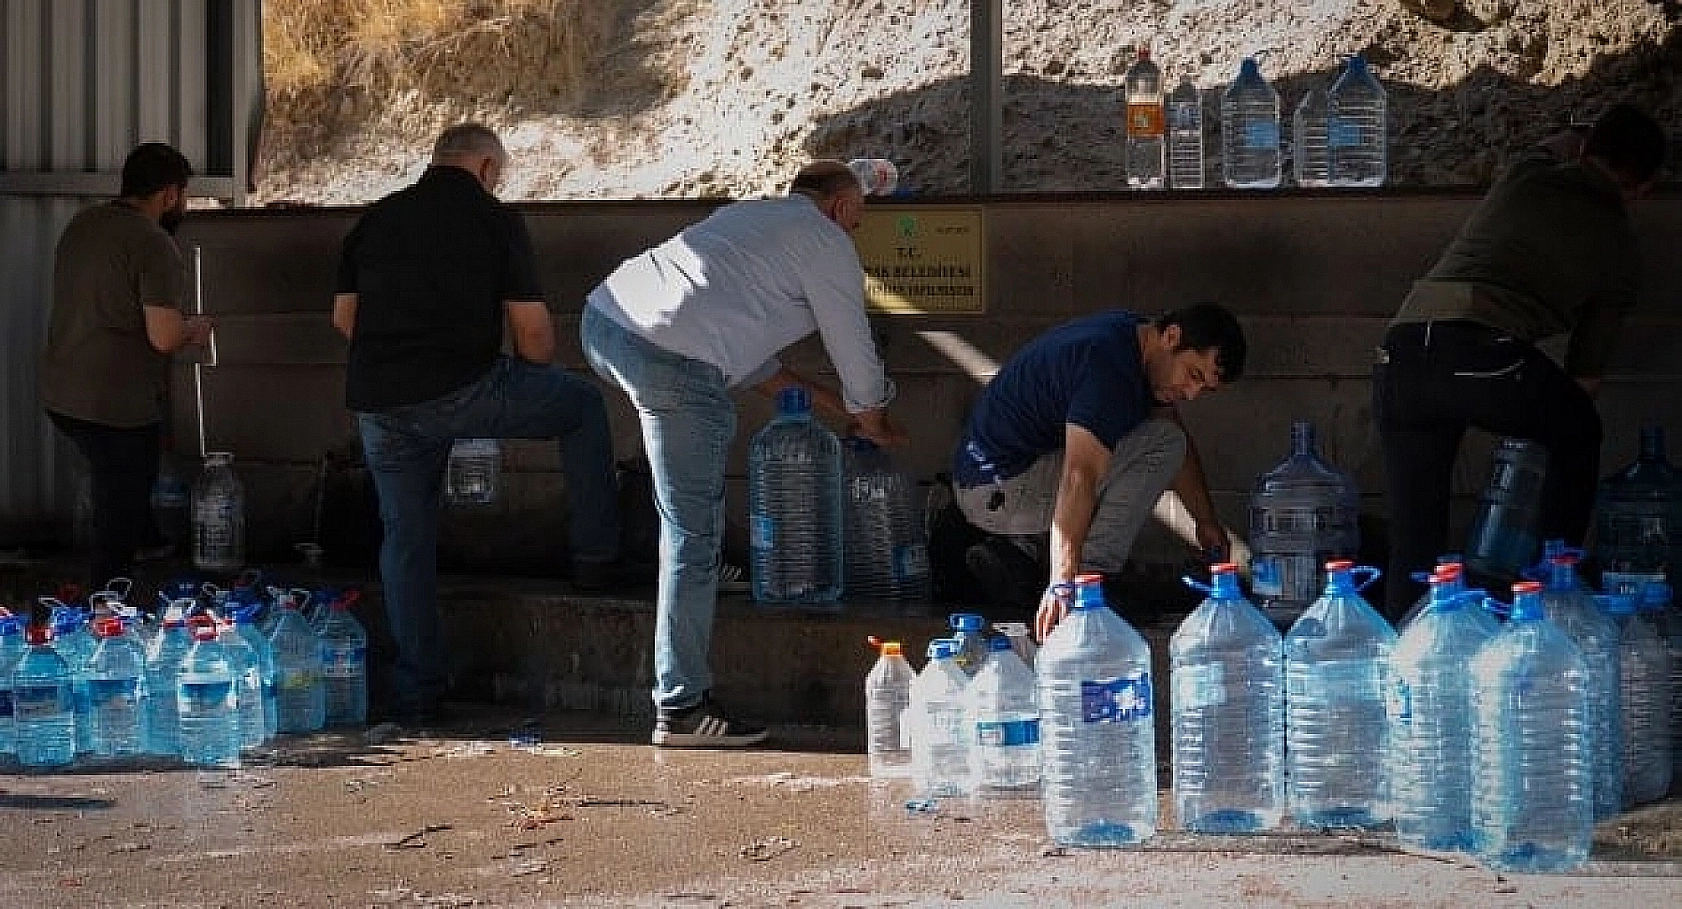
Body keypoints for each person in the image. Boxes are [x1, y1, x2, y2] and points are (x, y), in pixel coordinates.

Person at [582, 159, 904, 748]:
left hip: (604, 323)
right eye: (857, 216)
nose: (855, 230)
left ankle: (701, 574)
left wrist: (840, 411)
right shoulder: (826, 240)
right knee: (690, 534)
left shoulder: (750, 220)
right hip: (667, 359)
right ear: (837, 208)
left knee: (688, 516)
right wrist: (873, 414)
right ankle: (679, 708)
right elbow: (855, 350)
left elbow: (750, 360)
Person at [333, 124, 628, 724]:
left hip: (380, 402)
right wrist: (504, 378)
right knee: (581, 407)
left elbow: (345, 319)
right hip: (465, 387)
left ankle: (419, 689)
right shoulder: (496, 220)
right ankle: (597, 559)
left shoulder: (375, 218)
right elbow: (536, 340)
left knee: (405, 536)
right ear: (489, 168)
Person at [1374, 104, 1667, 619]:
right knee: (1577, 427)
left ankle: (1406, 651)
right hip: (1476, 351)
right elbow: (1585, 379)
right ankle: (1556, 583)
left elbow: (1550, 144)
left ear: (1584, 150)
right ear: (1642, 189)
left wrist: (1578, 133)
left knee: (1415, 541)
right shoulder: (1620, 249)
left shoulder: (1526, 173)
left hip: (1398, 353)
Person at [950, 304, 1247, 642]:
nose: (1192, 395)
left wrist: (1206, 521)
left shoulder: (1134, 338)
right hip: (997, 489)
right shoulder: (1109, 371)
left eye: (1204, 389)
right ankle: (1091, 582)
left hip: (992, 480)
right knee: (1163, 444)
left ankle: (1025, 554)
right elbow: (1080, 476)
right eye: (1193, 375)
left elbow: (1170, 427)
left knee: (1163, 437)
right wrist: (1063, 583)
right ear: (1172, 336)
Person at [40, 142, 213, 589]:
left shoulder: (83, 225)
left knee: (130, 473)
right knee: (120, 493)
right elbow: (164, 336)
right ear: (170, 194)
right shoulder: (153, 243)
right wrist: (196, 329)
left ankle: (146, 538)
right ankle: (109, 601)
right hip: (113, 404)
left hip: (61, 391)